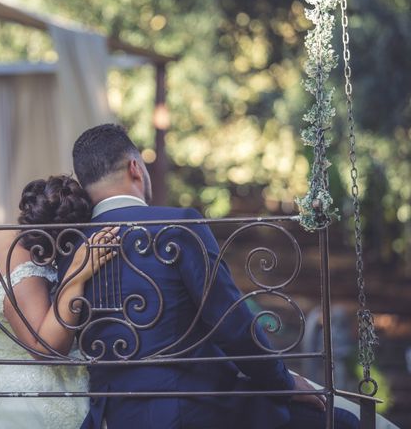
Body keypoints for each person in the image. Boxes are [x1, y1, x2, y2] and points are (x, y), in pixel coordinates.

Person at [57, 123, 359, 429]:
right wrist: (283, 381)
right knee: (343, 421)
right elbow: (230, 323)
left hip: (113, 415)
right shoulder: (178, 225)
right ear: (135, 168)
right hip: (192, 407)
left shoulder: (70, 247)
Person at [0, 175, 117, 429]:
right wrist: (76, 273)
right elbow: (47, 349)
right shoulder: (24, 271)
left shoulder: (0, 236)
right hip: (18, 409)